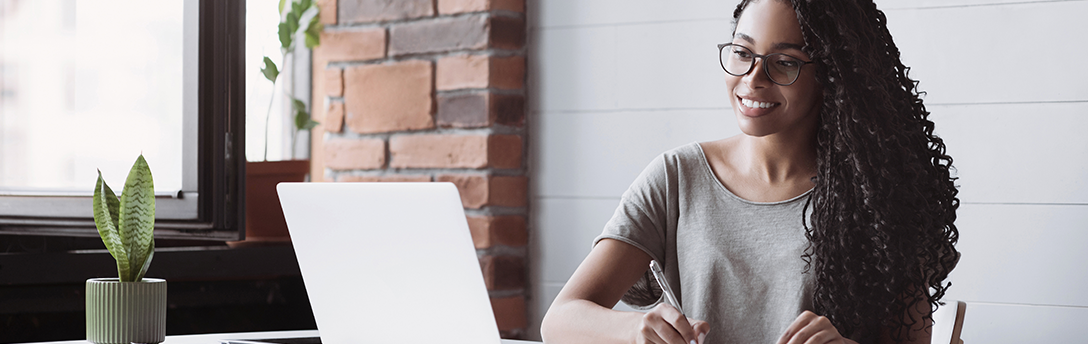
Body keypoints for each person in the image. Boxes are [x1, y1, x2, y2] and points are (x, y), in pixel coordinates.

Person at [539, 0, 960, 343]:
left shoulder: (877, 194)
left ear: (833, 73)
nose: (753, 78)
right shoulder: (676, 177)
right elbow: (559, 320)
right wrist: (634, 329)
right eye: (742, 53)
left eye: (785, 62)